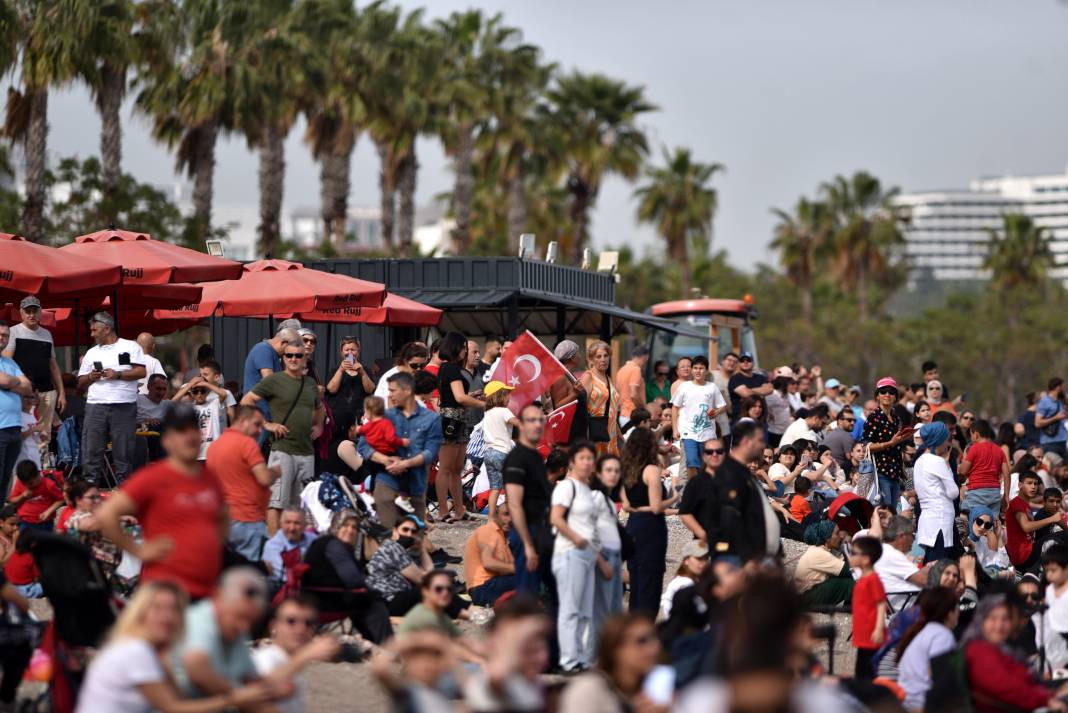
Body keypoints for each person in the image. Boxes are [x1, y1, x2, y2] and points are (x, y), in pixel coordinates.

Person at [75, 580, 277, 713]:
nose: (167, 616)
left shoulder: (147, 649)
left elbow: (181, 694)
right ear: (141, 612)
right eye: (157, 608)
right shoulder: (135, 651)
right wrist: (234, 698)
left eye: (173, 609)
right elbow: (173, 707)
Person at [96, 404, 224, 599]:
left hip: (206, 592)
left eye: (193, 429)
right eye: (181, 431)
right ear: (167, 441)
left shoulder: (211, 479)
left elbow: (222, 518)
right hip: (165, 595)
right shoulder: (152, 478)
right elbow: (106, 515)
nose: (189, 436)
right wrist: (139, 551)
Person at [241, 343, 323, 535]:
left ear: (305, 358)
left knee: (302, 505)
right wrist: (267, 425)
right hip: (282, 449)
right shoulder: (274, 380)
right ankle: (274, 550)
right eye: (289, 356)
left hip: (306, 452)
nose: (293, 359)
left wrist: (319, 426)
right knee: (276, 503)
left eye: (297, 355)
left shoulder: (310, 384)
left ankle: (296, 551)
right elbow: (247, 401)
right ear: (283, 358)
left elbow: (319, 408)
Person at [170, 568, 279, 700]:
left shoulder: (236, 629)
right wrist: (239, 695)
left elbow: (250, 678)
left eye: (251, 621)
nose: (244, 627)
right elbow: (197, 668)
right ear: (218, 596)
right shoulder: (198, 620)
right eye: (239, 616)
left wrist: (273, 689)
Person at [358, 371, 442, 528]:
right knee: (387, 534)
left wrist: (405, 464)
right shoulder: (383, 416)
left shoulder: (431, 419)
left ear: (407, 390)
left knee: (413, 539)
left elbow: (431, 451)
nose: (388, 395)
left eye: (392, 390)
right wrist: (385, 460)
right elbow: (363, 445)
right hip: (386, 480)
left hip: (415, 484)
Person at [550, 442, 604, 672]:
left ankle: (580, 657)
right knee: (571, 608)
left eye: (590, 458)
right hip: (570, 551)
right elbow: (556, 517)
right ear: (572, 462)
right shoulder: (566, 487)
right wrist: (576, 537)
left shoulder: (586, 489)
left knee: (584, 609)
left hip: (587, 553)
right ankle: (569, 659)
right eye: (582, 458)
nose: (587, 462)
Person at [963, 594, 1068, 713]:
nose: (999, 625)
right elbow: (1005, 686)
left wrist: (1051, 694)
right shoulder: (977, 650)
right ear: (982, 621)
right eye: (993, 618)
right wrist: (1046, 700)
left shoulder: (1002, 650)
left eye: (1005, 619)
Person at [76, 312, 147, 484]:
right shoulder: (91, 353)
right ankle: (90, 489)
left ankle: (124, 490)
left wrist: (118, 374)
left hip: (123, 405)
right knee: (92, 450)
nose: (92, 334)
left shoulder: (131, 346)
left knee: (123, 451)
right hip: (95, 405)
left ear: (107, 329)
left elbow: (141, 371)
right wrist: (91, 377)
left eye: (94, 330)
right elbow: (79, 383)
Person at [302, 509, 393, 643]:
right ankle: (387, 646)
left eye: (354, 527)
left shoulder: (330, 544)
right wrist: (372, 593)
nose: (350, 530)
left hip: (324, 596)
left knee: (366, 602)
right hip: (325, 600)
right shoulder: (333, 545)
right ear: (336, 526)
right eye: (345, 526)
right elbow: (353, 579)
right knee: (375, 607)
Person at [207, 405, 280, 560]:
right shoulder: (246, 444)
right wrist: (275, 471)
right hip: (248, 519)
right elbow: (264, 478)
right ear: (242, 421)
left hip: (223, 520)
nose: (260, 430)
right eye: (257, 424)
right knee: (251, 573)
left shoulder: (214, 446)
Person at [251, 595, 340, 713]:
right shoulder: (264, 659)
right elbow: (255, 692)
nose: (300, 629)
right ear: (274, 626)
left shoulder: (290, 665)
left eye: (308, 623)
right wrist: (305, 656)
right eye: (291, 621)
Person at [558, 613, 663, 713]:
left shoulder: (648, 692)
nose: (654, 648)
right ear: (616, 649)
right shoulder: (589, 690)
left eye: (655, 639)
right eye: (642, 641)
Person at [710, 419, 778, 563]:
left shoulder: (744, 474)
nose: (763, 446)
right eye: (760, 440)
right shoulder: (730, 474)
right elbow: (726, 522)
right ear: (747, 441)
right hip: (737, 559)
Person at [621, 428, 673, 614]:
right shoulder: (651, 470)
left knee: (636, 582)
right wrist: (675, 498)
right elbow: (657, 506)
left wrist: (639, 508)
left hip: (634, 524)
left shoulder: (627, 470)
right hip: (651, 528)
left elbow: (626, 506)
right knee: (650, 584)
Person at [435, 333, 485, 523]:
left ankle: (458, 509)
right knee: (447, 468)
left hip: (457, 419)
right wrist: (483, 405)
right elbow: (460, 398)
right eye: (464, 347)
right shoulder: (452, 369)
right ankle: (443, 511)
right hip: (452, 420)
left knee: (455, 469)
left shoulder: (448, 369)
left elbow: (455, 395)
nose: (466, 351)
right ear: (456, 348)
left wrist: (471, 395)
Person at [504, 403, 552, 595]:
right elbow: (515, 505)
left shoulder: (535, 456)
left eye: (540, 420)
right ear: (521, 425)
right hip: (527, 533)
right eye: (531, 420)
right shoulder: (517, 458)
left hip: (541, 532)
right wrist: (528, 545)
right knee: (528, 594)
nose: (537, 425)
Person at [3, 297, 63, 444]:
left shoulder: (47, 334)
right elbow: (7, 363)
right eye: (28, 311)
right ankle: (22, 466)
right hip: (23, 393)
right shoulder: (13, 332)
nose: (31, 315)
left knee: (44, 434)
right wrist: (16, 389)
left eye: (35, 311)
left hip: (47, 391)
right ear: (21, 314)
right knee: (23, 430)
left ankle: (42, 465)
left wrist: (62, 393)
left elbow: (53, 365)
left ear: (40, 313)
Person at [896, 586, 960, 711]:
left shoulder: (923, 632)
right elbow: (938, 676)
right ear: (950, 613)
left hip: (907, 702)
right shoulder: (942, 635)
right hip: (921, 704)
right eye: (957, 607)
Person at [671, 355, 727, 478]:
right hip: (688, 433)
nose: (698, 371)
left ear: (706, 370)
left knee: (705, 465)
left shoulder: (712, 387)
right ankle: (693, 488)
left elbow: (723, 406)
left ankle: (703, 489)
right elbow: (674, 407)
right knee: (691, 462)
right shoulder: (684, 387)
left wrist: (717, 412)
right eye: (695, 368)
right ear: (691, 370)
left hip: (707, 434)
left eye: (701, 368)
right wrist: (675, 429)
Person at [913, 422, 960, 563]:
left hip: (927, 521)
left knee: (930, 563)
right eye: (946, 439)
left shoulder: (919, 461)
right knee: (938, 568)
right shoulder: (937, 461)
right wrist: (947, 465)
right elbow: (953, 492)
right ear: (938, 440)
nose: (947, 443)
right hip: (940, 520)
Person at [864, 377, 912, 512]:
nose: (887, 395)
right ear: (877, 396)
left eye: (891, 392)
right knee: (885, 511)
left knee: (893, 512)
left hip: (895, 473)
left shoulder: (896, 418)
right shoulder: (874, 417)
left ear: (896, 396)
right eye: (883, 391)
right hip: (880, 473)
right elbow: (866, 446)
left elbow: (896, 446)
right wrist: (890, 443)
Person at [1007, 470, 1061, 575]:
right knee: (1059, 537)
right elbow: (1026, 527)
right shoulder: (1016, 503)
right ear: (1020, 485)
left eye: (1035, 484)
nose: (1033, 487)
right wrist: (1052, 519)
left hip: (1028, 551)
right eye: (1029, 483)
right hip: (1023, 556)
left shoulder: (1025, 504)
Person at [64, 479, 121, 577]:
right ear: (78, 500)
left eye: (98, 497)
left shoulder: (92, 513)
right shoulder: (76, 517)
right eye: (92, 498)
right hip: (91, 574)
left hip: (108, 569)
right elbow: (89, 524)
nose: (98, 501)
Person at [464, 501, 516, 606]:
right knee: (530, 578)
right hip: (482, 588)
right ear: (496, 516)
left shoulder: (504, 538)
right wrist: (519, 569)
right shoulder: (488, 530)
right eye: (506, 514)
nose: (510, 519)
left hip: (490, 586)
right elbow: (488, 563)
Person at [242, 325, 298, 423]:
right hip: (258, 415)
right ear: (283, 343)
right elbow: (269, 381)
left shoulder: (273, 354)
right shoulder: (263, 350)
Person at [875, 515, 930, 614]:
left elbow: (914, 575)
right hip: (913, 607)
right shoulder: (892, 555)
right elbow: (925, 581)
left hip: (909, 603)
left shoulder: (884, 551)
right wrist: (932, 569)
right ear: (902, 536)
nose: (914, 540)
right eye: (912, 535)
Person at [849, 536, 887, 679]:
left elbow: (881, 603)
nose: (850, 556)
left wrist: (878, 629)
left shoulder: (873, 579)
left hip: (871, 633)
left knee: (868, 671)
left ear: (865, 559)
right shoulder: (864, 578)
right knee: (861, 669)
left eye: (853, 553)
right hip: (863, 632)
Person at [481, 381, 518, 521]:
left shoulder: (487, 413)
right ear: (500, 396)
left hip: (489, 453)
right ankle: (509, 515)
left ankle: (491, 518)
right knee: (509, 486)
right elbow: (516, 422)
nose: (509, 397)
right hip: (503, 453)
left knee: (495, 488)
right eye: (507, 394)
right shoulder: (504, 411)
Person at [794, 521, 852, 606]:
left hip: (806, 593)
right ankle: (851, 607)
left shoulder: (822, 549)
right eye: (837, 533)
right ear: (828, 539)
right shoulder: (819, 553)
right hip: (806, 596)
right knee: (851, 582)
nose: (841, 536)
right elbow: (849, 570)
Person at [174, 375, 231, 461]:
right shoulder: (189, 408)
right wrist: (190, 385)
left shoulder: (214, 403)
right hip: (195, 455)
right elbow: (171, 403)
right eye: (196, 392)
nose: (199, 394)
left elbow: (224, 394)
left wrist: (205, 384)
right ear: (192, 393)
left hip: (213, 454)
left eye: (202, 391)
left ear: (207, 392)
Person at [959, 419, 1009, 517]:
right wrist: (1006, 496)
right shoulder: (999, 450)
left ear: (976, 435)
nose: (971, 437)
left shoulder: (974, 448)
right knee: (991, 523)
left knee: (964, 518)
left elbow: (963, 471)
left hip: (976, 493)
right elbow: (1007, 474)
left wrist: (964, 458)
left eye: (971, 435)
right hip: (994, 493)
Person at [678, 439, 724, 544]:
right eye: (709, 452)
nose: (715, 454)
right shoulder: (696, 483)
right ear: (703, 456)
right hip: (705, 544)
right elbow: (685, 512)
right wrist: (704, 535)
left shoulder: (732, 480)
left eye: (719, 451)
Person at [261, 507, 315, 591]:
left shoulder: (314, 540)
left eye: (297, 523)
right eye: (288, 522)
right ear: (281, 524)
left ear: (304, 525)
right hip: (282, 589)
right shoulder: (273, 546)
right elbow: (285, 576)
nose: (292, 528)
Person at [325, 336, 376, 426]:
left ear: (358, 352)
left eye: (353, 350)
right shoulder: (335, 370)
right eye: (346, 350)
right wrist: (341, 370)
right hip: (339, 417)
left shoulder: (366, 370)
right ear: (341, 352)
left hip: (360, 416)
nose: (350, 353)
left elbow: (370, 390)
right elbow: (331, 390)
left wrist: (362, 373)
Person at [581, 340, 620, 457]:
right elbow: (582, 406)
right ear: (591, 359)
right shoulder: (588, 377)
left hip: (611, 432)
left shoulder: (608, 378)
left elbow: (611, 407)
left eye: (606, 355)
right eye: (598, 356)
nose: (603, 359)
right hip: (595, 430)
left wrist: (618, 430)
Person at [659, 540, 709, 620]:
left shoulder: (690, 580)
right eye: (699, 558)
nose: (703, 563)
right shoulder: (684, 584)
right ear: (686, 560)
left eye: (706, 558)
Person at [8, 460, 62, 531]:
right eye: (25, 484)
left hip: (44, 523)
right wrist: (22, 496)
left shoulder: (48, 484)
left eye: (30, 483)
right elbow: (12, 500)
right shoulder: (20, 483)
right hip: (25, 522)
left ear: (37, 475)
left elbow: (60, 499)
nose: (27, 486)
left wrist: (48, 511)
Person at [727, 351, 771, 419]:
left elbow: (770, 389)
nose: (745, 362)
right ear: (739, 363)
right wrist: (761, 392)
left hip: (760, 420)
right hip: (741, 420)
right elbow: (746, 394)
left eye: (748, 360)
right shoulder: (735, 379)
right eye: (742, 360)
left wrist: (749, 390)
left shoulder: (761, 377)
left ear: (753, 362)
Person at [614, 345, 649, 425]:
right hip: (634, 415)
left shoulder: (621, 370)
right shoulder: (636, 369)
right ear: (644, 357)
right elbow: (633, 394)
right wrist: (643, 408)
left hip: (623, 414)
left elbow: (617, 394)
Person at [1037, 377, 1068, 459]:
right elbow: (1037, 423)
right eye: (1062, 386)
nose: (1063, 389)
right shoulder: (1044, 402)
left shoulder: (1060, 401)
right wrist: (1055, 418)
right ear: (1058, 387)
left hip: (1062, 439)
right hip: (1050, 442)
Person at [765, 367, 795, 448]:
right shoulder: (772, 394)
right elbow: (765, 410)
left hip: (786, 432)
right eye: (790, 381)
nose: (792, 385)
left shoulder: (787, 395)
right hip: (774, 433)